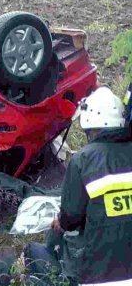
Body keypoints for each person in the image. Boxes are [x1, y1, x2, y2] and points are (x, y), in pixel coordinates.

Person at [42, 86, 132, 285]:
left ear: (89, 127)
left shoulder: (83, 160)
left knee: (54, 240)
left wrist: (60, 223)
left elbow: (71, 217)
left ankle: (48, 267)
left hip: (104, 274)